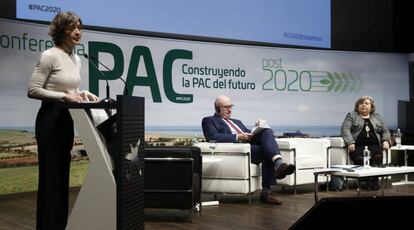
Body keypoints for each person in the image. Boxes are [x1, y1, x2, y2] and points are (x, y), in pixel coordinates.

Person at [27, 12, 99, 230]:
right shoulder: (50, 55)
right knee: (51, 178)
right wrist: (63, 97)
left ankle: (60, 224)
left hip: (67, 119)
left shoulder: (75, 58)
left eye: (79, 27)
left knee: (63, 176)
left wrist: (83, 93)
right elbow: (32, 90)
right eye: (72, 28)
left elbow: (71, 90)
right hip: (50, 119)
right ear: (61, 31)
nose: (77, 32)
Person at [202, 95, 295, 205]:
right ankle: (268, 190)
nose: (230, 110)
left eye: (231, 106)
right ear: (217, 108)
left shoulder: (237, 121)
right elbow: (212, 137)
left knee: (267, 131)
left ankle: (278, 164)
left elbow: (250, 134)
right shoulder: (209, 120)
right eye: (226, 107)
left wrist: (257, 128)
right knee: (267, 151)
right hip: (238, 151)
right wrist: (238, 137)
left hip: (250, 147)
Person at [341, 95, 391, 190]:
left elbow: (385, 131)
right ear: (357, 106)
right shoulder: (351, 115)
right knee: (360, 159)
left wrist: (385, 140)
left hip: (374, 145)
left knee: (377, 157)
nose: (364, 105)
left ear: (371, 106)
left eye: (366, 103)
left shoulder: (377, 116)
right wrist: (350, 142)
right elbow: (345, 129)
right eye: (361, 103)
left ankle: (375, 181)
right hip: (358, 146)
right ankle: (366, 181)